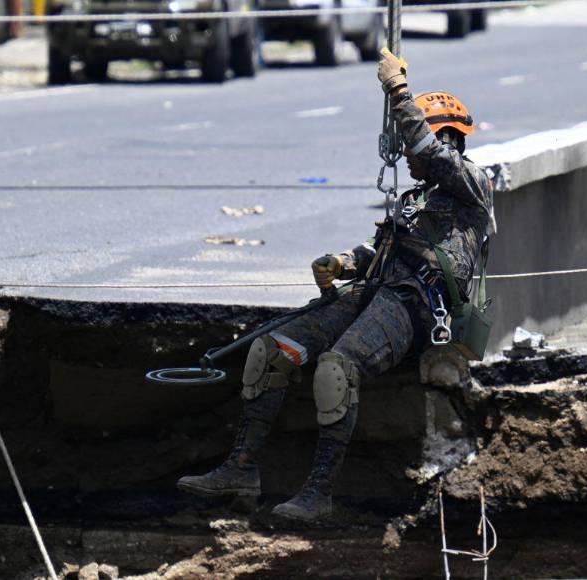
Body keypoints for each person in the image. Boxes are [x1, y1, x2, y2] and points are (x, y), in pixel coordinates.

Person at [177, 50, 494, 522]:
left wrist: (398, 91)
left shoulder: (472, 185)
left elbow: (429, 151)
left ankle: (318, 492)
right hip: (378, 291)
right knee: (271, 350)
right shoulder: (414, 199)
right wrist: (344, 262)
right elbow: (381, 250)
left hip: (417, 306)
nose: (407, 154)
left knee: (335, 369)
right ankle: (240, 468)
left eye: (412, 141)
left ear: (446, 135)